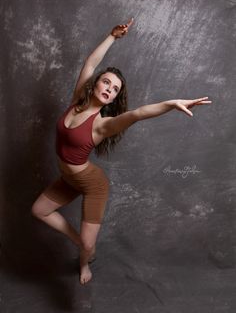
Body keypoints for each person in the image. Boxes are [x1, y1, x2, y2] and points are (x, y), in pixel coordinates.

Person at [31, 18, 212, 285]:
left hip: (92, 185)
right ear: (95, 85)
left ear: (114, 98)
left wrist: (172, 103)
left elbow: (137, 114)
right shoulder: (76, 101)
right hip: (68, 179)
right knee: (39, 210)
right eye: (106, 83)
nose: (109, 89)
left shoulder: (102, 126)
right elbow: (90, 64)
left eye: (115, 89)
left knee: (88, 247)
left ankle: (84, 264)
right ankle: (78, 241)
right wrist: (112, 36)